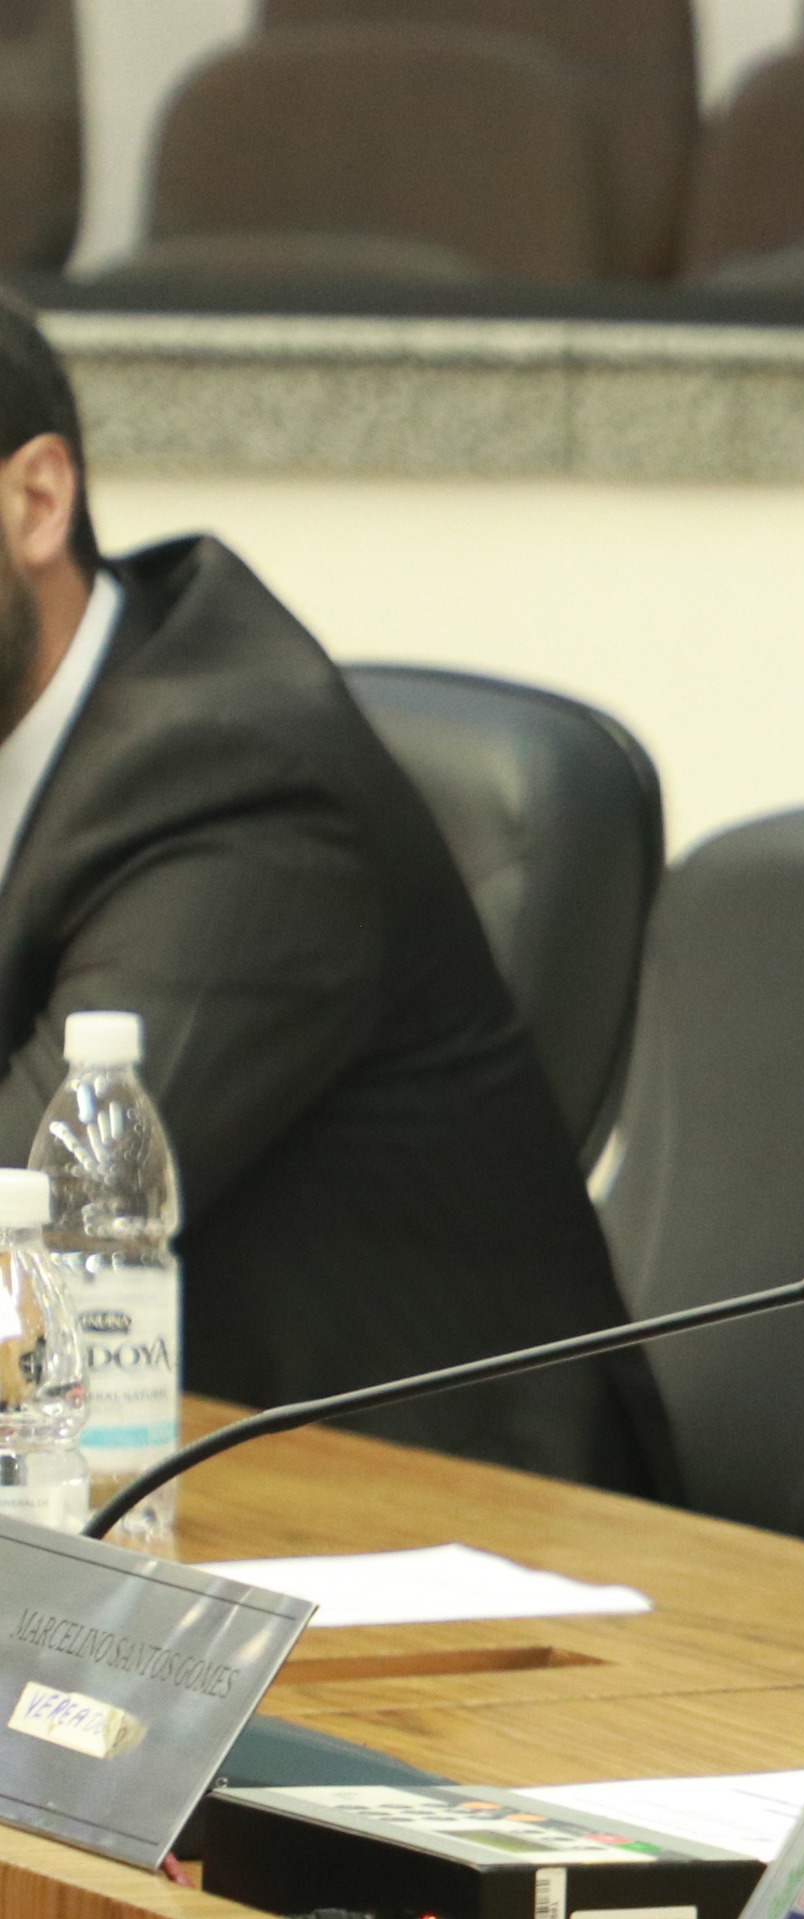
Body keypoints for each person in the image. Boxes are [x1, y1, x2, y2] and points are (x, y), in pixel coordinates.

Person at [0, 306, 665, 1492]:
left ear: (36, 502)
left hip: (458, 1527)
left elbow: (35, 1235)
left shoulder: (231, 778)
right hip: (145, 1484)